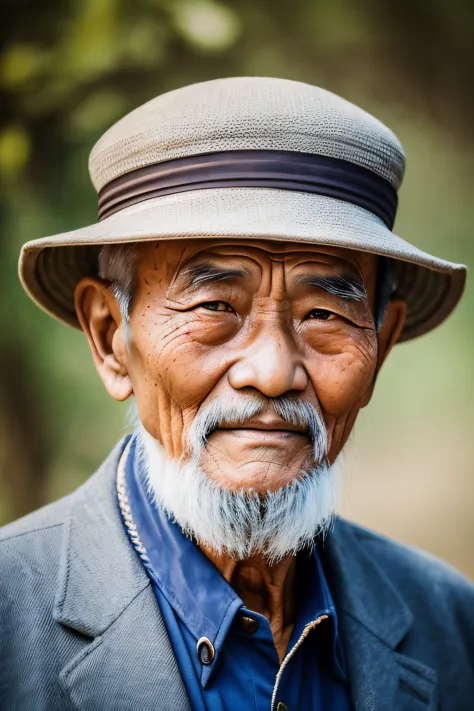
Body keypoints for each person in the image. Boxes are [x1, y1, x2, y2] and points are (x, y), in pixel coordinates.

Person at [2, 77, 473, 710]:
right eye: (215, 305)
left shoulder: (451, 624)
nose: (273, 372)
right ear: (113, 339)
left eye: (324, 316)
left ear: (381, 346)